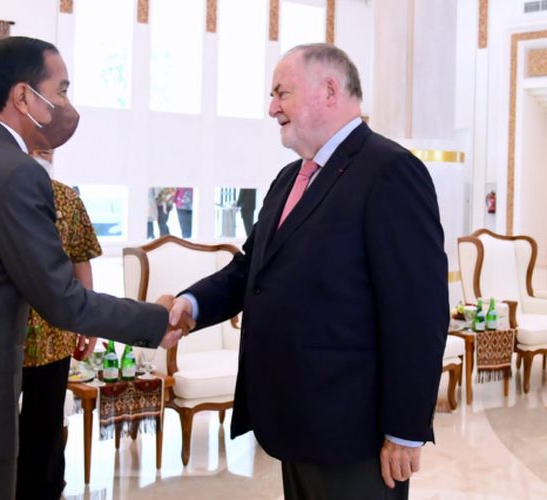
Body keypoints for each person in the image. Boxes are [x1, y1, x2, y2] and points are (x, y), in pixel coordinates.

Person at [0, 36, 187, 500]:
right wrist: (153, 320)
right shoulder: (19, 173)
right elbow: (60, 298)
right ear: (24, 96)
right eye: (60, 90)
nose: (66, 105)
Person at [168, 43, 448, 500]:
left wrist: (405, 429)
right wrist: (191, 303)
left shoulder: (390, 171)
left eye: (282, 93)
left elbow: (418, 313)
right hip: (294, 422)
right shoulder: (287, 180)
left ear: (330, 91)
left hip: (353, 433)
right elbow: (250, 270)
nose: (272, 107)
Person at [17, 148, 100, 499]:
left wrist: (89, 321)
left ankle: (46, 490)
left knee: (47, 423)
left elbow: (81, 260)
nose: (43, 151)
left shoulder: (67, 197)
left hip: (54, 333)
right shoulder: (4, 195)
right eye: (37, 145)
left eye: (48, 147)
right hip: (3, 334)